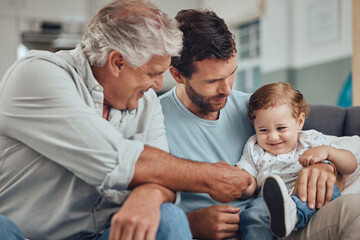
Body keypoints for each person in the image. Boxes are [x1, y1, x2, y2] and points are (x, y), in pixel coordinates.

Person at [0, 1, 253, 239]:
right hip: (25, 234)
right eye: (153, 73)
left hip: (108, 233)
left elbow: (162, 177)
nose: (157, 84)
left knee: (167, 218)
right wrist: (210, 177)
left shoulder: (146, 101)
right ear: (117, 62)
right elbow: (114, 158)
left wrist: (149, 194)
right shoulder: (37, 74)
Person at [159, 9, 360, 240]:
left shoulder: (255, 110)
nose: (227, 89)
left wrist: (325, 165)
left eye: (232, 73)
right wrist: (190, 223)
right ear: (177, 75)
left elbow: (339, 148)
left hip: (289, 224)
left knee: (354, 211)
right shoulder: (154, 121)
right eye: (213, 81)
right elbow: (127, 202)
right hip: (230, 229)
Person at [236, 82, 357, 238]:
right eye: (263, 130)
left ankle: (294, 214)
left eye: (281, 128)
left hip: (308, 197)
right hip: (270, 208)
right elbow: (249, 186)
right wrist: (242, 182)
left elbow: (351, 165)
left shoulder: (310, 140)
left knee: (329, 189)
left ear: (299, 122)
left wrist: (329, 152)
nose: (273, 136)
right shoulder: (254, 147)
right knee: (252, 214)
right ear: (254, 126)